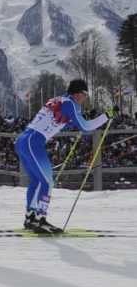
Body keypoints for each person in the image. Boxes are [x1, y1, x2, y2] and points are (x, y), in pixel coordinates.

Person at [15, 79, 112, 233]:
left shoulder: (60, 100)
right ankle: (41, 219)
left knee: (37, 180)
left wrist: (82, 117)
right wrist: (107, 115)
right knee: (47, 182)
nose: (85, 98)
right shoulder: (71, 103)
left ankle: (31, 216)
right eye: (85, 94)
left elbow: (62, 121)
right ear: (78, 93)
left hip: (23, 140)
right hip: (34, 141)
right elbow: (85, 127)